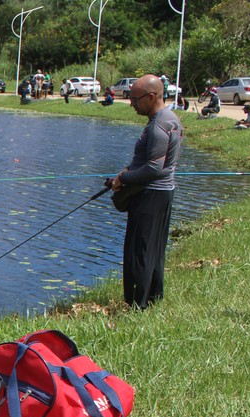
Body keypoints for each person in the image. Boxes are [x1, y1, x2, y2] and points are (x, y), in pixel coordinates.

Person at [107, 74, 183, 309]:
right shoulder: (170, 119)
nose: (131, 104)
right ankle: (152, 298)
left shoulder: (158, 126)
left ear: (151, 97)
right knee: (153, 249)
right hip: (162, 193)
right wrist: (128, 172)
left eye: (135, 99)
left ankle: (137, 304)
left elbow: (153, 169)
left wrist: (123, 178)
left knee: (139, 251)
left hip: (150, 195)